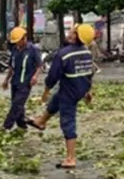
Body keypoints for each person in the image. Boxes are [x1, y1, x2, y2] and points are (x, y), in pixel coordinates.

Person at [26, 24, 96, 170]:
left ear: (76, 36)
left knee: (68, 122)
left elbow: (53, 76)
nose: (69, 32)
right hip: (79, 89)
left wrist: (45, 91)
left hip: (69, 92)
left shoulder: (63, 54)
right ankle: (41, 121)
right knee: (55, 102)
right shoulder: (87, 53)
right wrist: (88, 92)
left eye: (72, 31)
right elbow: (89, 74)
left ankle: (70, 158)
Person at [2, 27, 42, 131]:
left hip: (25, 83)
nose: (16, 44)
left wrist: (35, 76)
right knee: (17, 105)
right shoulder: (15, 49)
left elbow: (39, 66)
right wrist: (6, 80)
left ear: (24, 38)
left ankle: (6, 126)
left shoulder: (33, 50)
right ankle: (22, 125)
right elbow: (11, 67)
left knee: (16, 105)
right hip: (15, 82)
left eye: (17, 41)